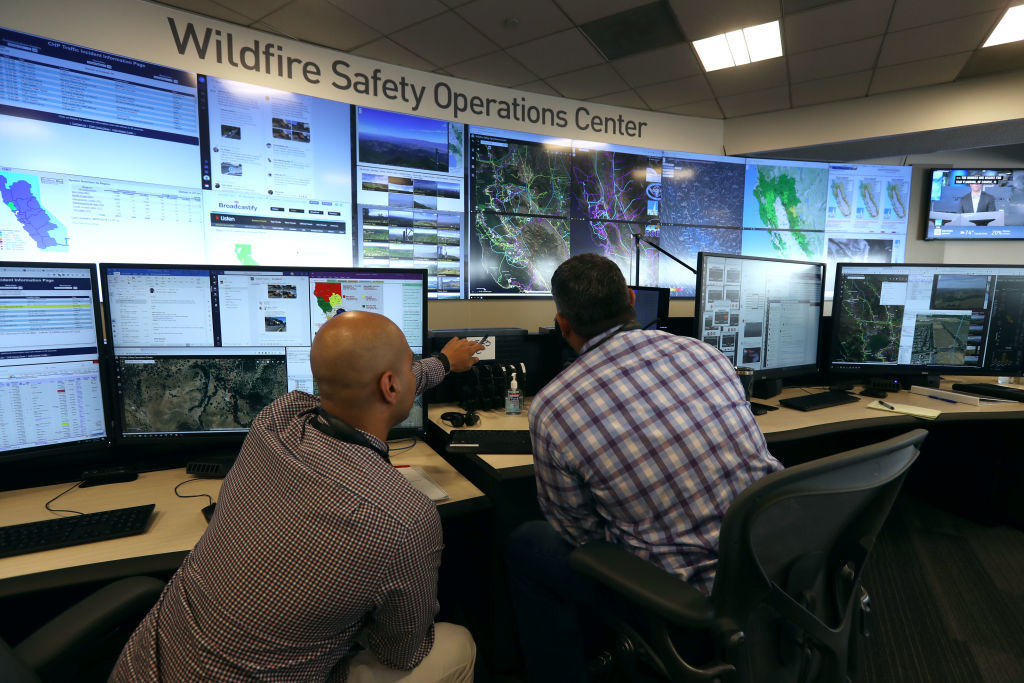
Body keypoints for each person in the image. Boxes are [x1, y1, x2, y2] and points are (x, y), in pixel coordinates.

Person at [112, 312, 484, 682]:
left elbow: (376, 382)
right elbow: (400, 652)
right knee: (456, 644)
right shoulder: (405, 518)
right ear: (391, 385)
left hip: (143, 666)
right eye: (409, 366)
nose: (412, 373)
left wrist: (443, 364)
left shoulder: (274, 422)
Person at [507, 254, 782, 683]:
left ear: (563, 325)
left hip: (681, 600)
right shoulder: (706, 355)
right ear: (631, 300)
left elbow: (579, 535)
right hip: (768, 563)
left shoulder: (552, 407)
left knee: (529, 543)